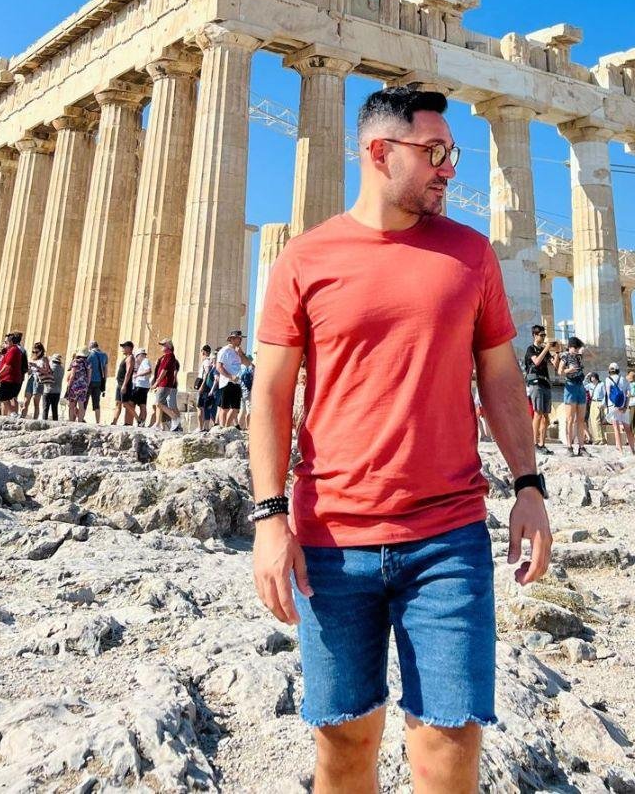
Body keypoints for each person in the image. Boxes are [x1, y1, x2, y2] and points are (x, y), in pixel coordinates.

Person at [250, 86, 551, 792]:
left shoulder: (472, 255)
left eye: (454, 153)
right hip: (331, 540)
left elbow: (501, 379)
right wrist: (269, 517)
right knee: (345, 743)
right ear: (380, 153)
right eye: (436, 153)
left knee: (449, 744)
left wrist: (530, 485)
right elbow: (270, 394)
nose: (451, 168)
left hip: (447, 537)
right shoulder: (305, 257)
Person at [523, 325, 554, 453]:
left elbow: (555, 365)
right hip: (535, 382)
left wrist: (557, 353)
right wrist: (546, 348)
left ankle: (542, 443)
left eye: (544, 335)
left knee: (546, 416)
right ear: (535, 335)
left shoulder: (543, 350)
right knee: (538, 413)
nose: (543, 337)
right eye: (541, 335)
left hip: (545, 382)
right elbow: (536, 362)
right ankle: (534, 443)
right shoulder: (531, 349)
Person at [216, 330, 251, 429]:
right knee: (224, 408)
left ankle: (227, 427)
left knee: (235, 408)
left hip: (237, 382)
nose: (240, 340)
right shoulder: (224, 350)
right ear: (232, 339)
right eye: (238, 338)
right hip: (227, 382)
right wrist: (230, 377)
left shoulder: (238, 351)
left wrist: (241, 354)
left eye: (241, 338)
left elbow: (247, 363)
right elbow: (219, 367)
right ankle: (222, 428)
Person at [557, 344, 588, 455]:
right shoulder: (565, 356)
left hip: (580, 386)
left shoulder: (579, 357)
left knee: (580, 419)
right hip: (570, 386)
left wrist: (585, 350)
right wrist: (569, 370)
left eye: (577, 347)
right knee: (570, 419)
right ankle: (569, 447)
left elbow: (594, 357)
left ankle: (581, 447)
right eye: (574, 347)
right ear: (569, 347)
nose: (576, 349)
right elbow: (560, 371)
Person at [149, 339, 181, 431]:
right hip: (163, 383)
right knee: (160, 403)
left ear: (169, 346)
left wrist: (156, 383)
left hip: (165, 383)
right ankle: (158, 424)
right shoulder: (165, 356)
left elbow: (164, 371)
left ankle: (174, 418)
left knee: (158, 403)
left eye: (164, 345)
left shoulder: (170, 356)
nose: (162, 346)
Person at [605, 361, 634, 455]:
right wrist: (625, 406)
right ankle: (633, 450)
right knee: (628, 429)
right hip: (623, 406)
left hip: (613, 406)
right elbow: (629, 394)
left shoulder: (608, 379)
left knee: (616, 428)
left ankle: (621, 450)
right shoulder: (624, 380)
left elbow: (609, 393)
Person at [0, 333, 25, 416]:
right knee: (7, 397)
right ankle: (10, 414)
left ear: (11, 342)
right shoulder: (11, 350)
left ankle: (13, 413)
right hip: (9, 378)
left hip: (9, 378)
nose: (4, 343)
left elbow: (7, 365)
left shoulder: (13, 350)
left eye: (6, 342)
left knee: (4, 397)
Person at [21, 343, 51, 419]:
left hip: (38, 381)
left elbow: (47, 371)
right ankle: (22, 417)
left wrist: (36, 367)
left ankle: (35, 419)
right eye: (33, 352)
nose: (35, 353)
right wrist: (29, 369)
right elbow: (29, 372)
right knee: (26, 401)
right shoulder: (33, 358)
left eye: (36, 352)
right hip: (31, 379)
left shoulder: (44, 359)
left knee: (36, 402)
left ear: (41, 351)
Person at [85, 341, 109, 423]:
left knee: (85, 401)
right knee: (96, 403)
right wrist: (104, 381)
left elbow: (89, 369)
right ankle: (97, 421)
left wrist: (86, 381)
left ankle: (81, 418)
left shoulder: (89, 354)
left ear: (91, 347)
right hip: (99, 382)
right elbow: (106, 370)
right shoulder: (104, 355)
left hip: (89, 381)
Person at [112, 340, 135, 426]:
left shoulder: (130, 358)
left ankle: (139, 420)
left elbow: (128, 372)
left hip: (124, 384)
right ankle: (114, 422)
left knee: (125, 403)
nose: (123, 349)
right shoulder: (126, 357)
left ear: (129, 348)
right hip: (120, 383)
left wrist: (124, 385)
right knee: (118, 403)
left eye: (124, 347)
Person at [64, 349, 91, 421]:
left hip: (74, 386)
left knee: (71, 405)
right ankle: (80, 421)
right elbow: (89, 377)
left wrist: (69, 385)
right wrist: (86, 385)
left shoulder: (75, 362)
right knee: (81, 405)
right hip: (84, 386)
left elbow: (72, 375)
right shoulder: (88, 363)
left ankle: (71, 421)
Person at [131, 347, 152, 423]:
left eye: (137, 357)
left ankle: (140, 420)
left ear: (140, 355)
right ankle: (141, 422)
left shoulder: (145, 361)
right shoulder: (145, 361)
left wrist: (137, 375)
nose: (137, 359)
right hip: (144, 385)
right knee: (142, 404)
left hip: (141, 386)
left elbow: (148, 370)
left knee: (132, 403)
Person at [587, 371, 606, 445]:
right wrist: (586, 377)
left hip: (599, 402)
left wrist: (603, 404)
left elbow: (605, 395)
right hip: (593, 402)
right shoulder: (590, 385)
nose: (592, 378)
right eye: (591, 377)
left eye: (593, 376)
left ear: (596, 377)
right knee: (592, 421)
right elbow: (582, 385)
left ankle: (601, 438)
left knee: (597, 420)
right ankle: (596, 438)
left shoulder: (601, 384)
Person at [43, 353, 63, 421]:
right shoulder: (62, 369)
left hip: (48, 390)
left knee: (45, 409)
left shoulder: (50, 367)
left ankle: (44, 422)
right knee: (55, 410)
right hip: (57, 391)